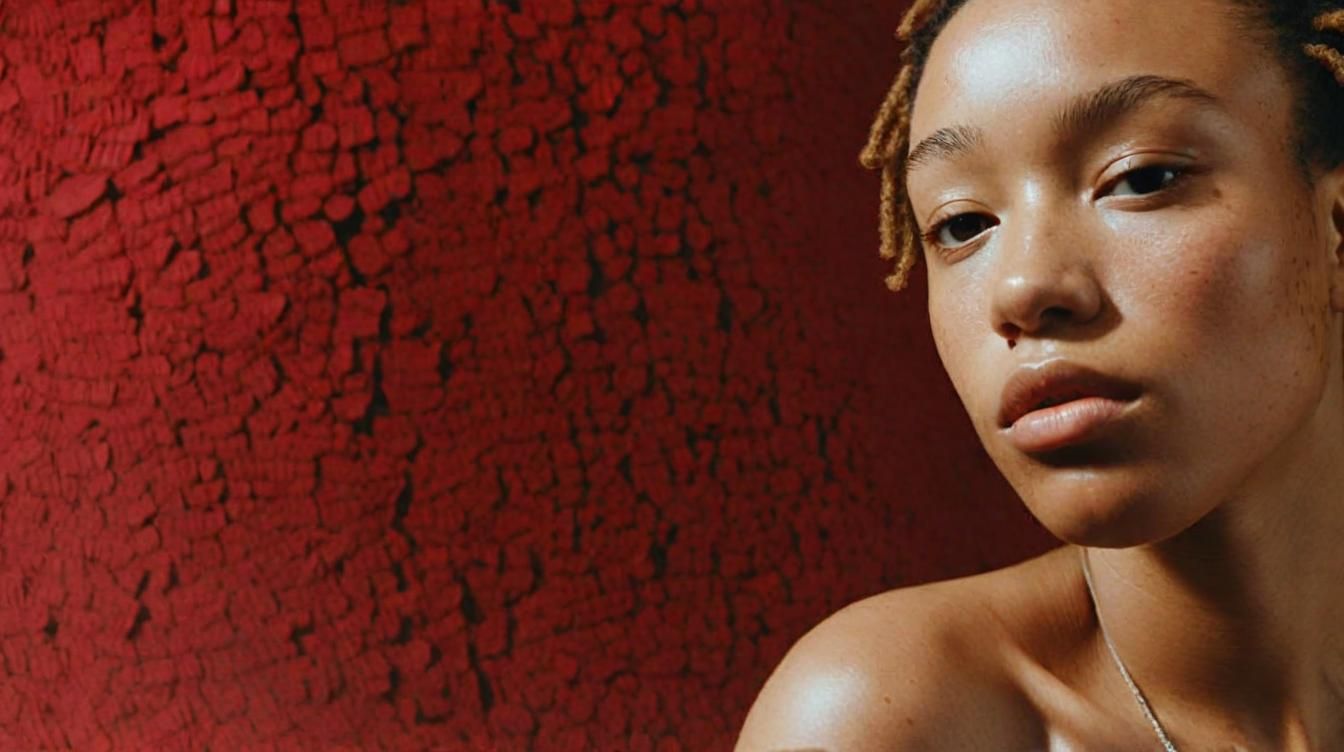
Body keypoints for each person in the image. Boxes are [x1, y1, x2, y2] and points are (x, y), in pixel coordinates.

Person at [734, 0, 1344, 749]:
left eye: (1139, 177)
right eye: (963, 225)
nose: (1022, 288)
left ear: (1336, 226)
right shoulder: (890, 718)